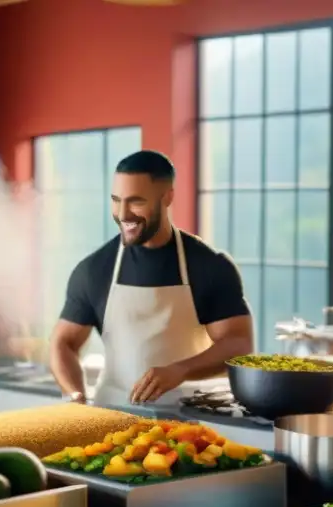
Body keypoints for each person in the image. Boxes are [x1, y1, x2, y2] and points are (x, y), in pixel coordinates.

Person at [49, 150, 254, 407]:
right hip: (114, 415)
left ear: (167, 197)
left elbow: (238, 344)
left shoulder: (209, 266)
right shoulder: (93, 269)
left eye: (135, 202)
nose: (123, 214)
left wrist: (180, 370)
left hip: (192, 421)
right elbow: (63, 342)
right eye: (116, 200)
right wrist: (75, 395)